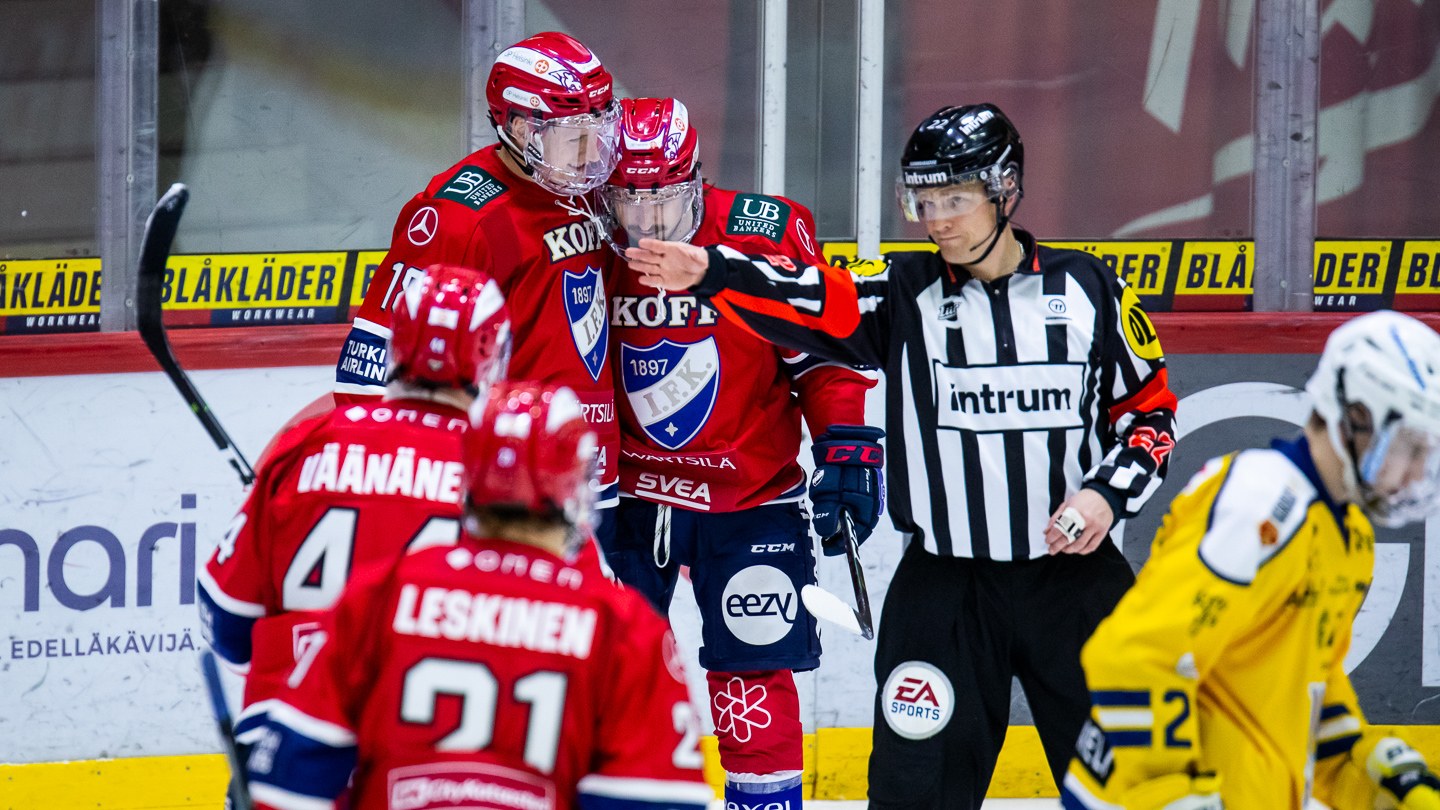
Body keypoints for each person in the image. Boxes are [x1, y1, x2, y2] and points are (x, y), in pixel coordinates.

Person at [625, 102, 1179, 808]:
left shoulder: (1092, 288)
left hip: (1077, 587)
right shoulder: (904, 293)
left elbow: (1151, 414)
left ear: (1005, 190)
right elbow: (808, 294)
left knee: (1136, 788)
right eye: (924, 202)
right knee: (914, 793)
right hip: (945, 594)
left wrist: (1105, 495)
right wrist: (709, 269)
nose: (937, 220)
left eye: (954, 199)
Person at [244, 382, 715, 810]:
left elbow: (288, 783)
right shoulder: (620, 625)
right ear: (573, 487)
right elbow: (656, 802)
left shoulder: (377, 596)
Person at [599, 97, 880, 810]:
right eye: (630, 202)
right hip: (628, 502)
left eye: (665, 201)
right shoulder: (587, 240)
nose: (648, 223)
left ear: (696, 179)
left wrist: (845, 446)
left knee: (751, 682)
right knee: (611, 676)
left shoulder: (764, 234)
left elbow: (824, 349)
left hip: (752, 498)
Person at [1060, 310, 1440, 810]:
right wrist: (1173, 792)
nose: (1417, 471)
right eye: (1411, 447)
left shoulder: (1348, 538)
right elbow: (1136, 655)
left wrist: (1365, 772)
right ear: (1357, 417)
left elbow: (1300, 692)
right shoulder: (1263, 503)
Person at [198, 265, 512, 746]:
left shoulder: (307, 445)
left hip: (284, 745)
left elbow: (226, 621)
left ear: (397, 342)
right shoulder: (502, 478)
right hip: (427, 757)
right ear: (492, 357)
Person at [333, 31, 624, 541]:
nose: (591, 151)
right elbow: (367, 375)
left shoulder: (587, 190)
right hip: (508, 495)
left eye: (599, 129)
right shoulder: (459, 219)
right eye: (573, 134)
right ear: (521, 128)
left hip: (595, 473)